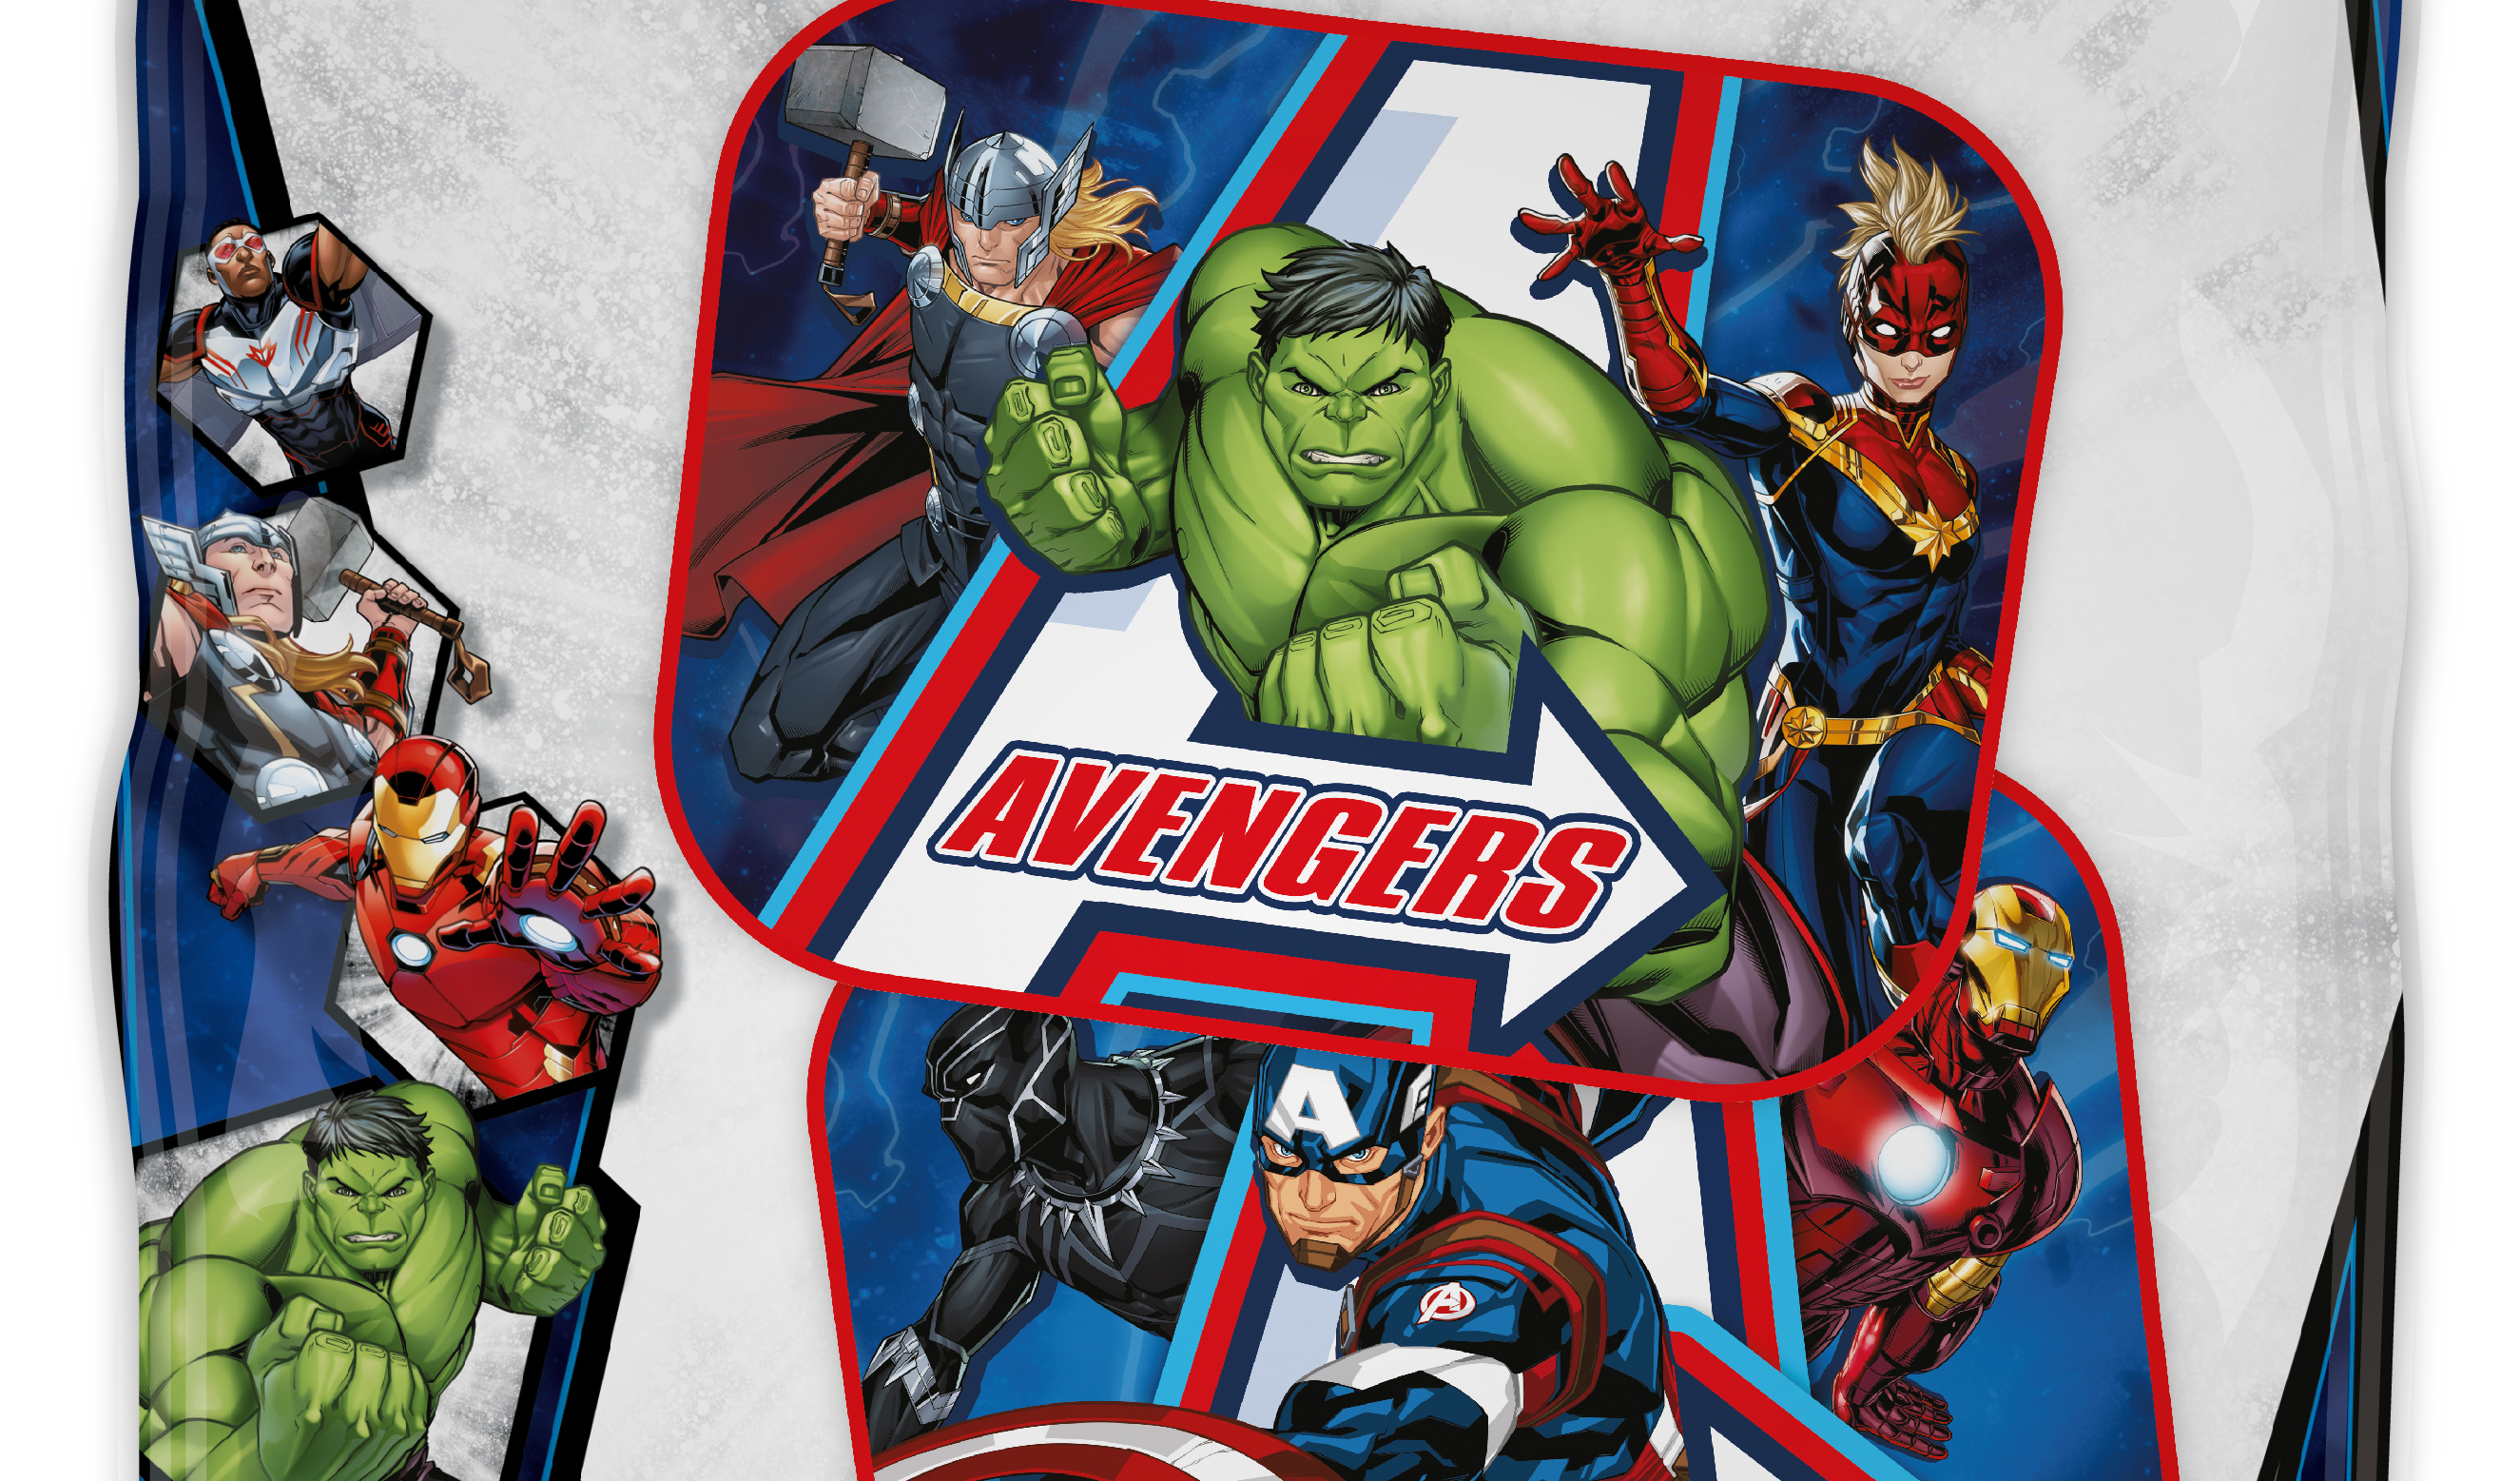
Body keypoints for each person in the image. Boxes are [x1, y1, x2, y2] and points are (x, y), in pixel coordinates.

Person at [984, 228, 1769, 1020]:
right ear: (1263, 377)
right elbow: (1163, 459)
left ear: (1434, 384)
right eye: (1307, 389)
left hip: (1618, 752)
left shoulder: (1542, 440)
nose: (1344, 422)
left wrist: (1513, 725)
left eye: (1385, 389)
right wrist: (1115, 503)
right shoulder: (1227, 367)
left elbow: (1677, 865)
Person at [1527, 144, 1989, 1023]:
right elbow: (1684, 397)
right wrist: (1629, 279)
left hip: (1914, 762)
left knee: (1938, 973)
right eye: (1889, 333)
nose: (1912, 360)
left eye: (1936, 338)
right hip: (1815, 764)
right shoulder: (1810, 428)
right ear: (1855, 323)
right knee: (1818, 1011)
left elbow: (1935, 623)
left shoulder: (1958, 476)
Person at [688, 126, 1173, 783]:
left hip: (1004, 579)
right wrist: (864, 210)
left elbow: (1161, 399)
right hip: (935, 538)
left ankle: (967, 738)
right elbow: (918, 218)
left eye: (1009, 223)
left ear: (1049, 212)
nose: (984, 243)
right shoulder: (953, 244)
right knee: (759, 742)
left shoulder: (1103, 310)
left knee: (825, 735)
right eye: (973, 222)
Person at [140, 1082, 609, 1481]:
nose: (370, 1213)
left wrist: (504, 1255)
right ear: (312, 1188)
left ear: (425, 1185)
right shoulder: (247, 1220)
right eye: (345, 1191)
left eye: (396, 1191)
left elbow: (471, 1209)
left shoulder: (445, 1186)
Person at [1250, 1049, 1675, 1481]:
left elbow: (1422, 1409)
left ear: (1429, 1134)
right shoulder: (1466, 1090)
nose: (1312, 1199)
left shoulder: (1482, 1270)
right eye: (1283, 1153)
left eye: (1357, 1157)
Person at [863, 1007, 1264, 1451]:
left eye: (971, 1083)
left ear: (1044, 1045)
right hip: (1243, 1403)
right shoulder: (1008, 1210)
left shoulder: (1215, 1082)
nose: (953, 1117)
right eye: (943, 1101)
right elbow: (932, 1354)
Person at [1783, 881, 2084, 1460]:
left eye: (2054, 963)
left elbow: (1947, 1289)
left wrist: (1864, 1386)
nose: (2030, 973)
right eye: (2014, 948)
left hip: (1792, 1336)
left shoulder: (2033, 1154)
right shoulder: (1855, 1003)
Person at [208, 737, 663, 1098]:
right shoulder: (366, 856)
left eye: (431, 838)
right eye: (392, 832)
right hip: (464, 1046)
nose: (407, 858)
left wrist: (592, 949)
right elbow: (314, 858)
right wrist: (251, 867)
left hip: (539, 1056)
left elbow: (622, 951)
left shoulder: (508, 884)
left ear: (468, 819)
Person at [141, 508, 427, 810]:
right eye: (237, 548)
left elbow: (378, 749)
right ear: (189, 565)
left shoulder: (317, 696)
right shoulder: (184, 627)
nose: (267, 562)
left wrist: (391, 631)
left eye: (279, 554)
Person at [161, 220, 396, 471]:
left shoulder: (309, 286)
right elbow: (136, 385)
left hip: (371, 442)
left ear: (270, 258)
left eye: (252, 243)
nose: (243, 254)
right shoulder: (195, 335)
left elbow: (348, 223)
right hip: (308, 468)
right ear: (212, 276)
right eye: (227, 250)